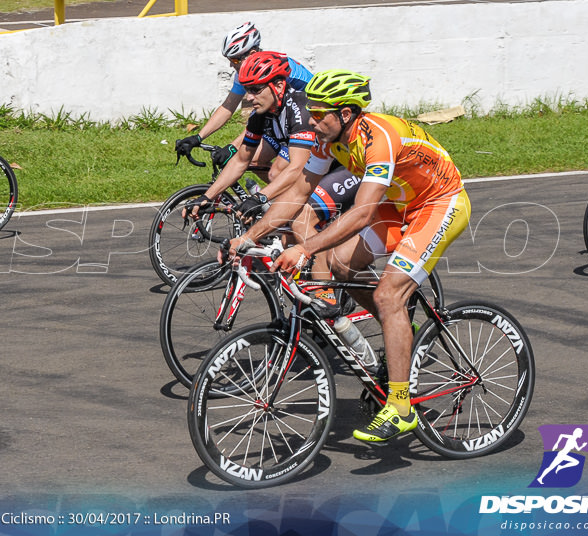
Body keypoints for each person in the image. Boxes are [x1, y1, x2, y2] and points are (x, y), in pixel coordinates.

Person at [233, 69, 471, 444]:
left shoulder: (378, 139)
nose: (311, 120)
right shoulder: (327, 140)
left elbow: (361, 214)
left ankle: (401, 407)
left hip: (439, 203)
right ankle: (397, 330)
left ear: (345, 113)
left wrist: (305, 247)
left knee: (388, 294)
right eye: (310, 111)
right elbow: (299, 194)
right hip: (400, 203)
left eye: (319, 113)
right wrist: (248, 237)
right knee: (342, 265)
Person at [182, 51, 317, 226]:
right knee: (285, 229)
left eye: (255, 90)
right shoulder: (259, 114)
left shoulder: (300, 109)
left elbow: (296, 168)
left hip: (335, 169)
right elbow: (241, 160)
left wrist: (259, 198)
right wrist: (207, 197)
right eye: (247, 90)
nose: (248, 97)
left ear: (278, 86)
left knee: (296, 228)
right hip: (292, 144)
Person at [175, 22, 312, 182]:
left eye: (233, 60)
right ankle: (283, 199)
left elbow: (259, 117)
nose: (230, 64)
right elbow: (228, 106)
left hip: (305, 121)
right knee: (253, 161)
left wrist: (233, 147)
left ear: (251, 53)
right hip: (281, 122)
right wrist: (198, 137)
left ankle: (302, 200)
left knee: (276, 172)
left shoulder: (270, 70)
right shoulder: (248, 71)